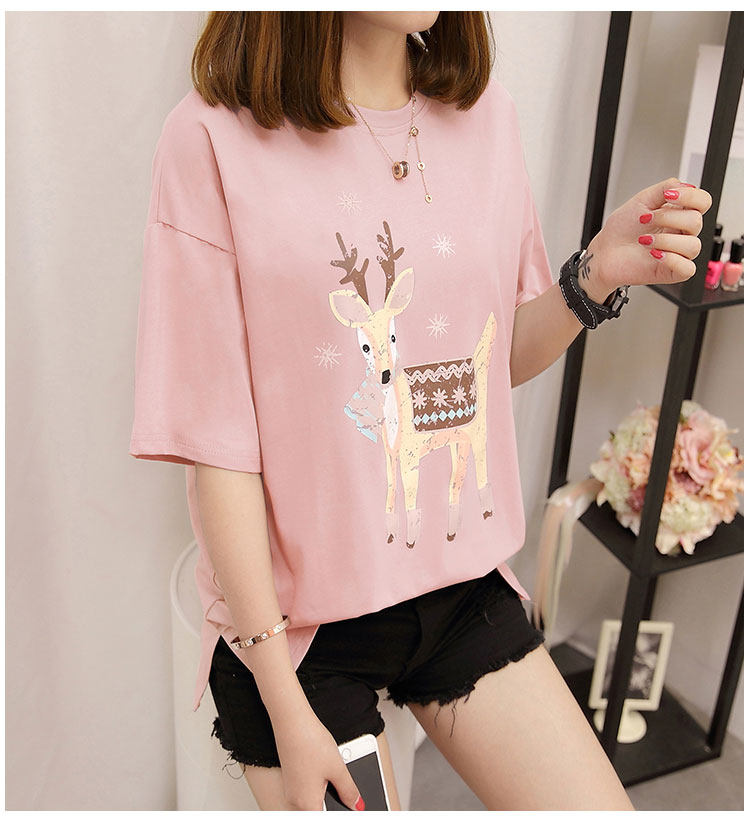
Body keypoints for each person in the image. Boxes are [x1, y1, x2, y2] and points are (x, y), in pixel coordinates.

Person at [129, 10, 710, 811]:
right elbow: (217, 443)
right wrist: (281, 700)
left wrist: (595, 275)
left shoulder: (486, 117)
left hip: (459, 587)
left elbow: (490, 363)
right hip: (296, 636)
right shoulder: (210, 139)